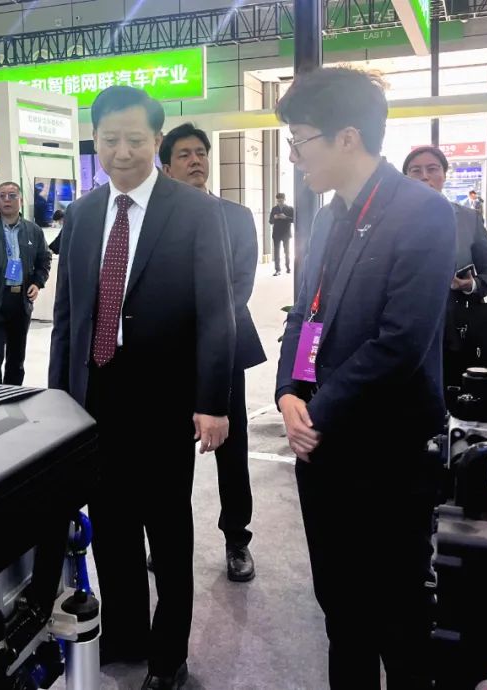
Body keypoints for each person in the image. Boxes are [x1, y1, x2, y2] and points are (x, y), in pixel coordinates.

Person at [274, 67, 455, 690]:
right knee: (341, 611)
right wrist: (289, 392)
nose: (294, 156)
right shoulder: (327, 218)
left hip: (388, 452)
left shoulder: (424, 213)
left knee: (399, 614)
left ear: (347, 138)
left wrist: (317, 410)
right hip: (322, 451)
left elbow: (400, 343)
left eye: (300, 140)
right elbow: (305, 314)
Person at [49, 86, 234, 690]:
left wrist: (212, 402)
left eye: (134, 139)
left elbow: (217, 313)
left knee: (168, 530)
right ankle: (126, 632)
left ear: (156, 140)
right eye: (109, 140)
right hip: (96, 396)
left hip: (164, 400)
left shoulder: (194, 211)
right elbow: (69, 318)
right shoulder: (82, 215)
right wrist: (58, 401)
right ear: (95, 141)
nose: (122, 152)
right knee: (112, 527)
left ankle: (168, 654)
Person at [159, 122, 266, 583]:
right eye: (184, 154)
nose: (195, 160)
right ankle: (165, 538)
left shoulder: (236, 216)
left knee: (231, 448)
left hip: (223, 351)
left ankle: (236, 539)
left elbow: (239, 287)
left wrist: (203, 334)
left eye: (200, 152)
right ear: (167, 167)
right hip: (166, 359)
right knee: (166, 456)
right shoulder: (155, 222)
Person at [404, 146, 487, 387]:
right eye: (415, 170)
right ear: (406, 178)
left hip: (456, 327)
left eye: (432, 169)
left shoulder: (468, 219)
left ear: (444, 174)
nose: (424, 176)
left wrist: (471, 285)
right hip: (404, 328)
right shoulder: (389, 220)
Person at [0, 182, 52, 385]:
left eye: (12, 195)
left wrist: (37, 282)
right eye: (2, 196)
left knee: (17, 359)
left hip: (20, 301)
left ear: (20, 200)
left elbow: (44, 259)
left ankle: (13, 395)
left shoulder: (33, 231)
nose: (7, 200)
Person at [268, 192, 294, 275]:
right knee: (276, 252)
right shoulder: (274, 209)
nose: (280, 203)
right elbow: (270, 221)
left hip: (286, 233)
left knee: (287, 251)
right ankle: (277, 270)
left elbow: (294, 220)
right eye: (278, 201)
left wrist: (285, 217)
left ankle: (288, 267)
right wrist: (275, 218)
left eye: (281, 201)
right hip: (276, 233)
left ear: (284, 199)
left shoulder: (290, 208)